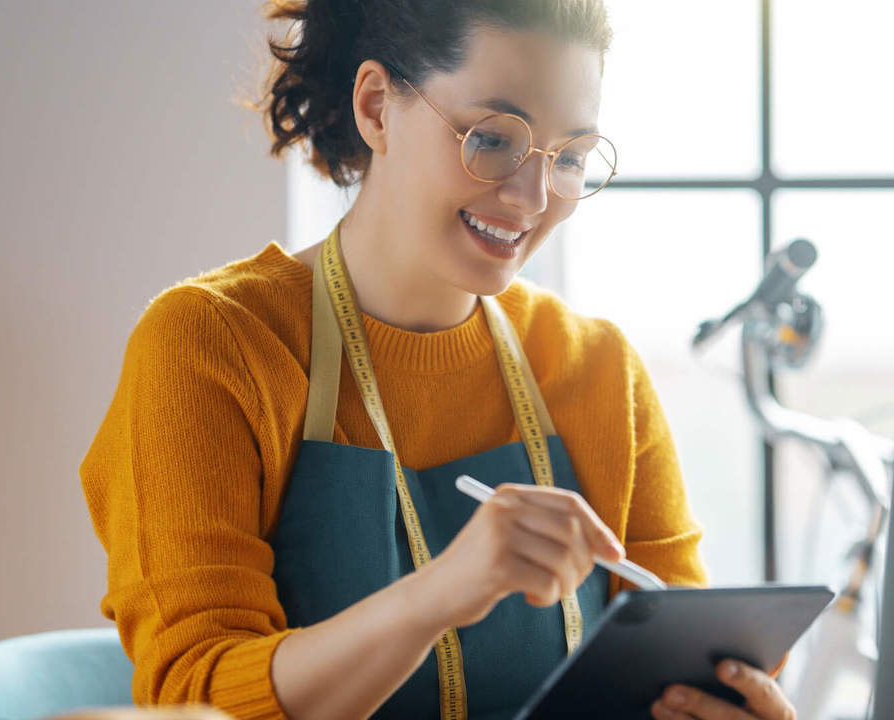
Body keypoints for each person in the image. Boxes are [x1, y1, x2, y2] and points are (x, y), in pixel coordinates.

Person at [79, 1, 797, 718]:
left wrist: (734, 703)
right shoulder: (214, 345)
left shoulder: (599, 369)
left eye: (570, 158)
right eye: (492, 139)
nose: (531, 198)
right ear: (376, 108)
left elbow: (679, 668)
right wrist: (442, 594)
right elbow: (195, 695)